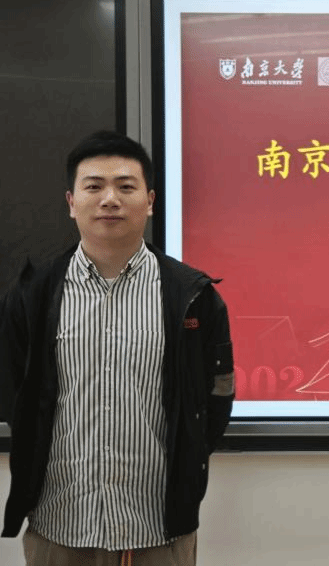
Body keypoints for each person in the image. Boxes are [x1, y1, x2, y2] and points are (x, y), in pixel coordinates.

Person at [0, 130, 235, 565]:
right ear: (72, 202)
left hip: (159, 527)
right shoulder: (32, 295)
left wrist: (187, 459)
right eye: (94, 187)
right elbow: (14, 394)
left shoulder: (192, 296)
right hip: (60, 525)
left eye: (126, 187)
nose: (110, 199)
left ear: (150, 201)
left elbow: (218, 394)